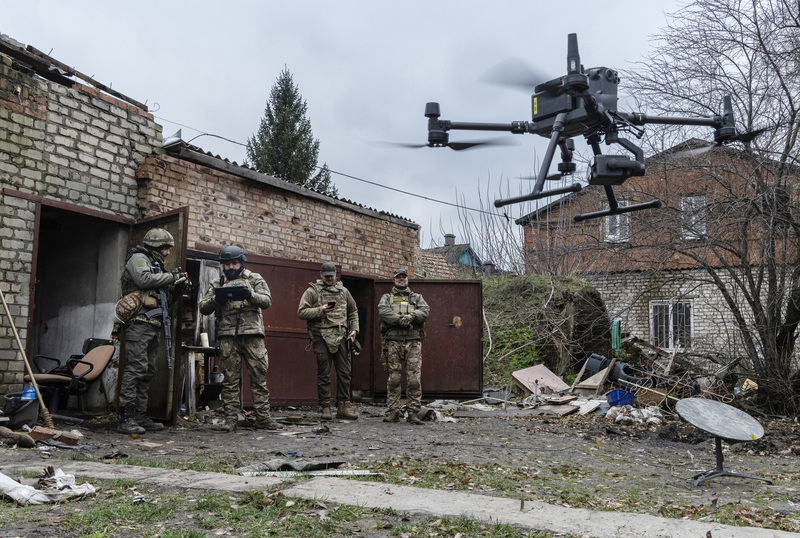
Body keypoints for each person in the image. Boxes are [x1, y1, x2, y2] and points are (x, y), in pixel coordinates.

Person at [198, 246, 282, 431]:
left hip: (252, 334)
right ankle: (231, 419)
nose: (230, 267)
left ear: (241, 262)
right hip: (228, 336)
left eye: (234, 263)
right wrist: (216, 300)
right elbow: (203, 307)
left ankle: (263, 418)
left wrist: (250, 295)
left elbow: (267, 300)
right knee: (230, 380)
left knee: (258, 377)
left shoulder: (254, 278)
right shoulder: (217, 282)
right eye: (227, 264)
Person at [117, 228, 186, 434]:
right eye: (165, 248)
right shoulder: (138, 259)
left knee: (147, 372)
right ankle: (126, 418)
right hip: (138, 323)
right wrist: (172, 277)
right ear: (155, 246)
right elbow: (143, 280)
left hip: (152, 325)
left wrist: (177, 289)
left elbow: (164, 301)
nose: (167, 253)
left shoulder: (157, 267)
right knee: (136, 368)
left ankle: (140, 416)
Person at [297, 262, 360, 420]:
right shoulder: (312, 291)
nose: (329, 278)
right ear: (321, 275)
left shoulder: (344, 291)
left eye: (332, 275)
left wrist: (355, 330)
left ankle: (343, 407)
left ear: (335, 275)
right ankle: (325, 407)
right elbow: (301, 311)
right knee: (324, 374)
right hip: (321, 337)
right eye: (326, 276)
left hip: (341, 337)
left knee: (345, 373)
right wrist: (321, 310)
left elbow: (353, 311)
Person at [378, 268, 430, 424]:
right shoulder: (386, 298)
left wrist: (410, 316)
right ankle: (393, 411)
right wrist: (399, 320)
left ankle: (413, 413)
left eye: (404, 277)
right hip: (393, 342)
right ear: (394, 280)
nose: (401, 279)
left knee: (414, 379)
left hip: (413, 342)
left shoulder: (417, 297)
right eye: (398, 277)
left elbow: (425, 311)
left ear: (408, 279)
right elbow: (383, 312)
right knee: (394, 378)